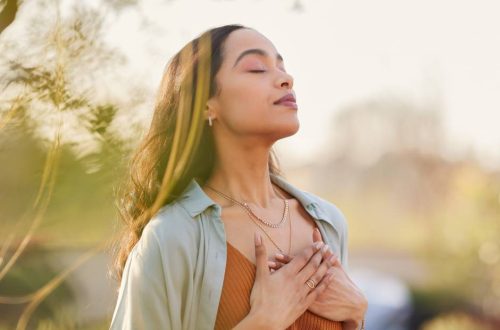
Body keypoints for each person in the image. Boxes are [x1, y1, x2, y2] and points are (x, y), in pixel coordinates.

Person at [109, 24, 367, 330]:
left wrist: (357, 313)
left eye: (282, 66)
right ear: (207, 104)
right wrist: (262, 322)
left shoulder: (328, 223)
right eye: (257, 69)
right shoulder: (172, 238)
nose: (286, 79)